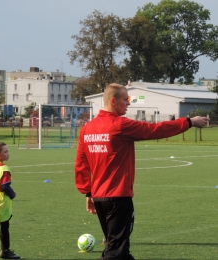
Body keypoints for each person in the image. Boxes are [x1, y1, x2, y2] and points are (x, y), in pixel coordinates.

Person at [74, 83, 209, 260]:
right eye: (126, 99)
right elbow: (155, 130)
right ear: (114, 101)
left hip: (100, 198)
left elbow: (81, 164)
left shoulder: (87, 129)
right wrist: (189, 122)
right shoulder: (120, 125)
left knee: (121, 251)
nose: (129, 103)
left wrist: (88, 192)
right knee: (115, 252)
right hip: (118, 198)